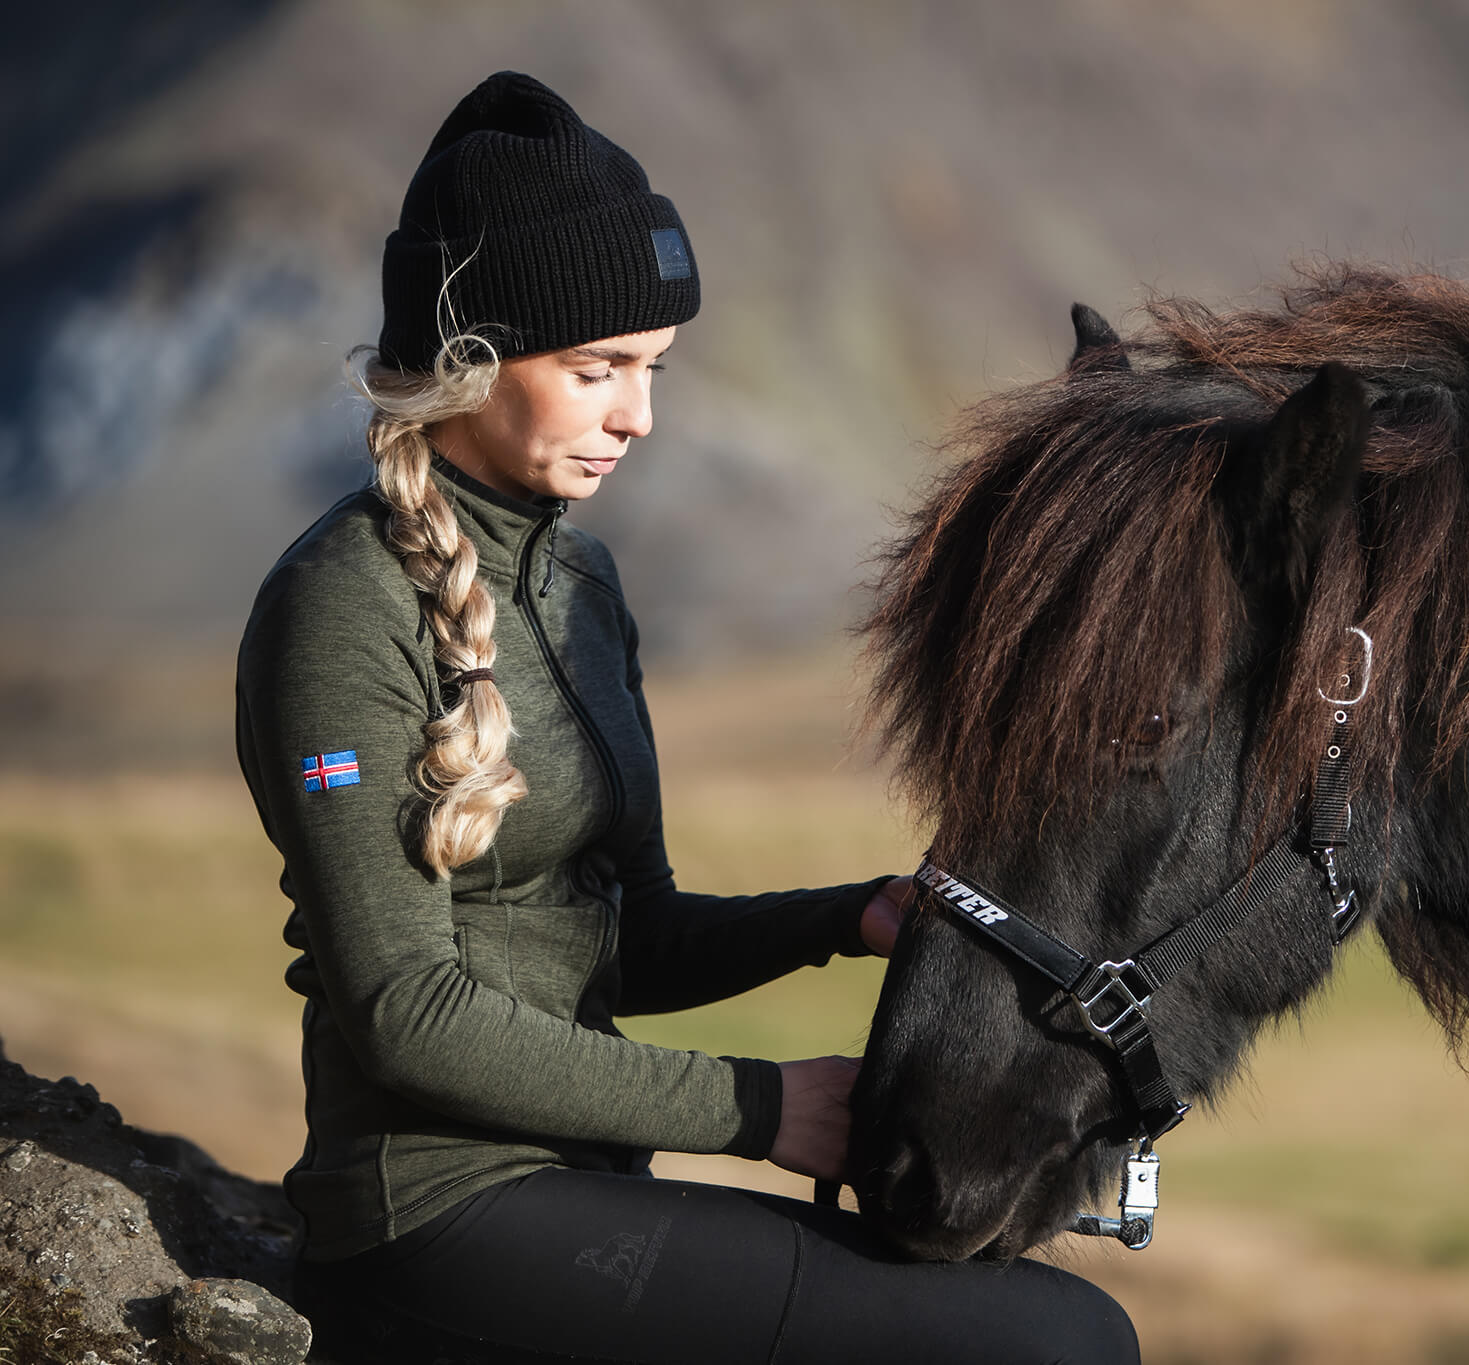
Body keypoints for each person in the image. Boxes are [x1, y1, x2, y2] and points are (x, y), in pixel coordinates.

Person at [235, 71, 1140, 1364]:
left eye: (652, 371)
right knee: (1062, 1343)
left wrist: (852, 916)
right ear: (471, 358)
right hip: (433, 1218)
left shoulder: (581, 584)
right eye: (599, 368)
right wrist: (765, 1107)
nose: (638, 417)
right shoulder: (340, 610)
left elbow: (633, 939)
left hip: (589, 1189)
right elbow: (404, 1013)